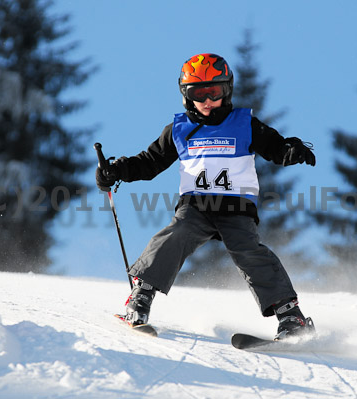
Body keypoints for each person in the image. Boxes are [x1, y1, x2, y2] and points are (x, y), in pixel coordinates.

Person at [96, 53, 316, 340]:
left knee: (248, 250)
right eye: (200, 93)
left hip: (236, 207)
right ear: (187, 96)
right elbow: (149, 162)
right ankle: (141, 296)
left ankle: (291, 317)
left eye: (215, 91)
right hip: (196, 206)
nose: (208, 100)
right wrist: (117, 170)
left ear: (227, 91)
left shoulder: (244, 123)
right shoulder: (179, 128)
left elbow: (274, 147)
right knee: (176, 234)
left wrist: (290, 151)